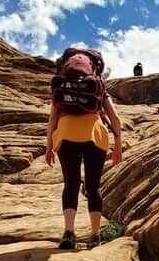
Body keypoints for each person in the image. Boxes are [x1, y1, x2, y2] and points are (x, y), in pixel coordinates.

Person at [45, 94, 123, 249]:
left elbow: (52, 119)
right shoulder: (98, 86)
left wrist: (49, 147)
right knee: (93, 186)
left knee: (71, 184)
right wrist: (118, 146)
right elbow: (115, 118)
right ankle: (95, 235)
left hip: (66, 132)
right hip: (95, 132)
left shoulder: (62, 86)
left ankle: (68, 232)